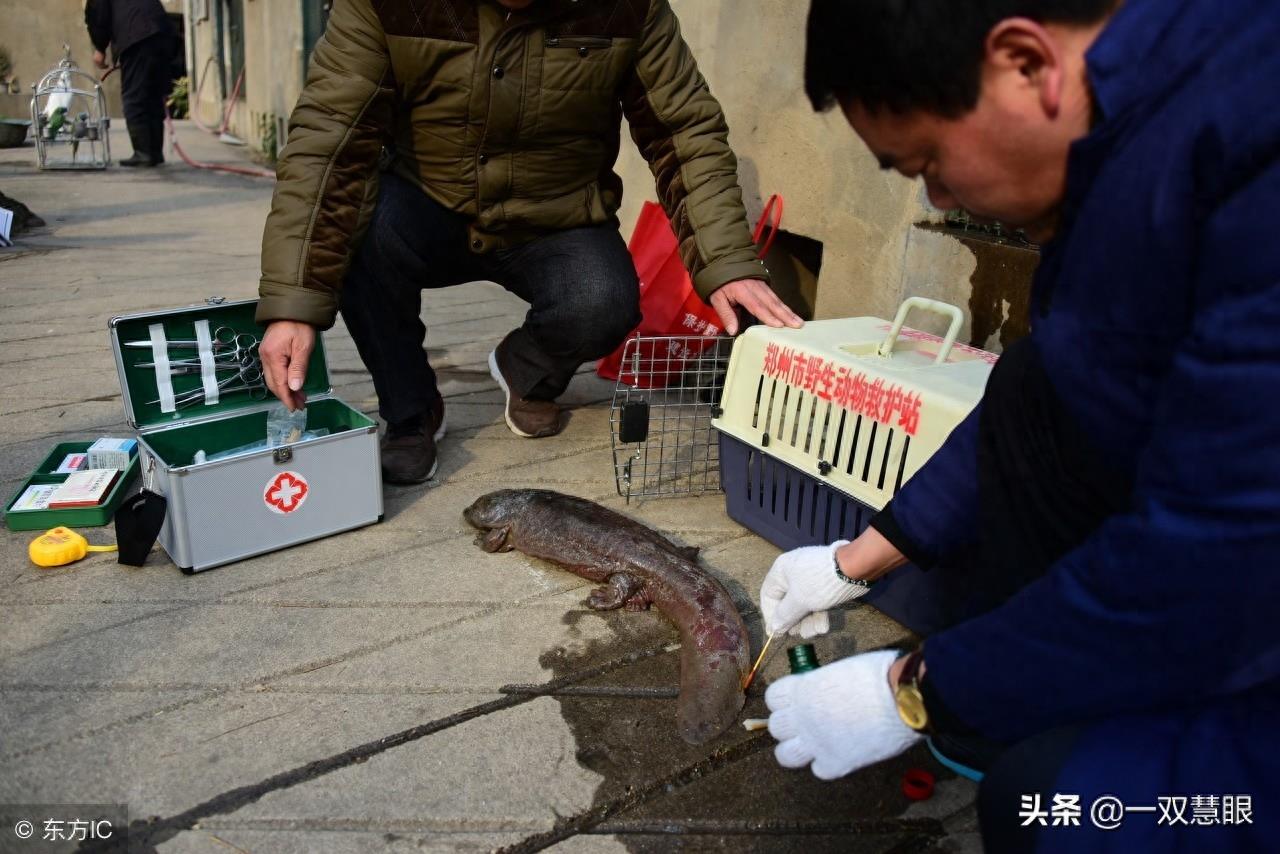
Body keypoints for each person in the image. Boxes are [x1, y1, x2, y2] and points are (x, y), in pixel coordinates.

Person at [759, 0, 1279, 851]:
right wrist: (855, 562)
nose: (937, 195)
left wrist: (914, 687)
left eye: (927, 161)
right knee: (1040, 378)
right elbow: (1052, 397)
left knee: (1046, 807)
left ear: (1026, 64)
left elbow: (1233, 547)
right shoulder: (1133, 138)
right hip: (1224, 579)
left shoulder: (1251, 144)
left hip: (1246, 590)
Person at [255, 0, 802, 485]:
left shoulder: (630, 8)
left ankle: (527, 371)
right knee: (357, 237)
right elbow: (327, 146)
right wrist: (293, 307)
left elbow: (685, 133)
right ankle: (410, 409)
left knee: (605, 302)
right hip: (428, 203)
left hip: (557, 215)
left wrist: (728, 262)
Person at [85, 0, 174, 167]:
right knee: (152, 94)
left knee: (134, 96)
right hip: (162, 32)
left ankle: (143, 153)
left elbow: (98, 13)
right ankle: (154, 152)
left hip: (138, 33)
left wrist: (99, 47)